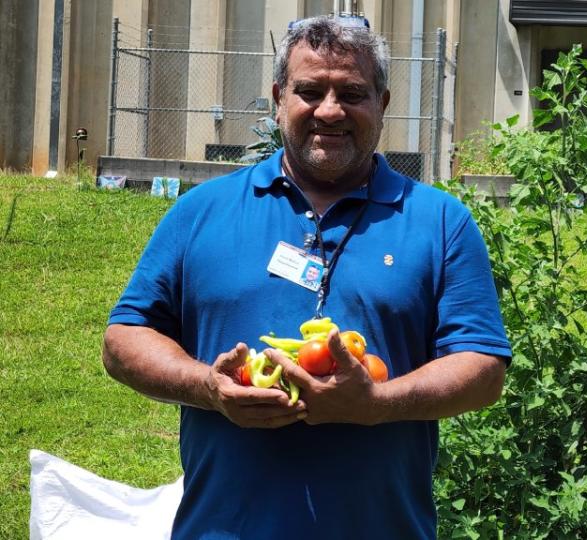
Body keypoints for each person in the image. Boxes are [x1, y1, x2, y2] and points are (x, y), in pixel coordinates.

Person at [102, 16, 510, 539]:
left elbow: (481, 366)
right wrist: (209, 387)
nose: (330, 110)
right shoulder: (201, 212)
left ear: (382, 104)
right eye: (310, 91)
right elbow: (123, 340)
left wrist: (377, 405)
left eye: (353, 93)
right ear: (278, 98)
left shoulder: (440, 222)